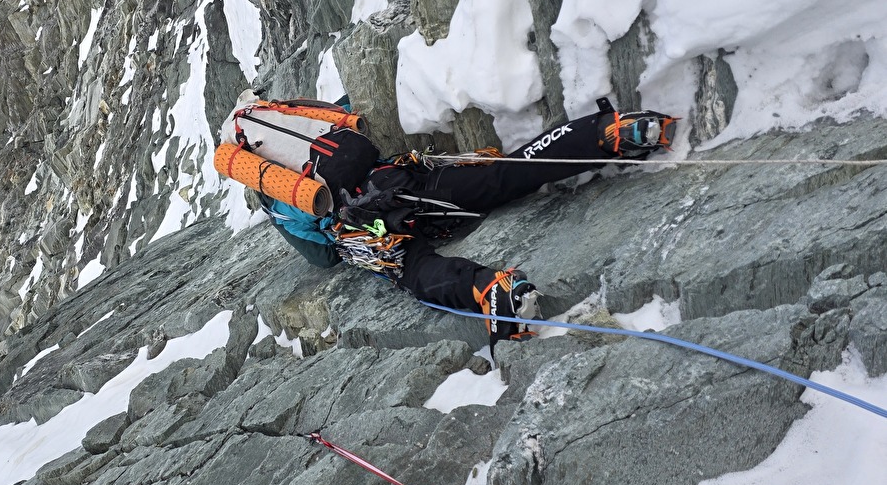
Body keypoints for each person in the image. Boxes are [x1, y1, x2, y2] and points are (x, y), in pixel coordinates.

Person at [229, 94, 677, 346]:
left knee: (416, 271)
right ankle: (606, 132)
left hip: (367, 231)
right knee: (499, 177)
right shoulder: (303, 125)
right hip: (400, 177)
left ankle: (490, 290)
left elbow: (324, 257)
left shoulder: (274, 192)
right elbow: (355, 128)